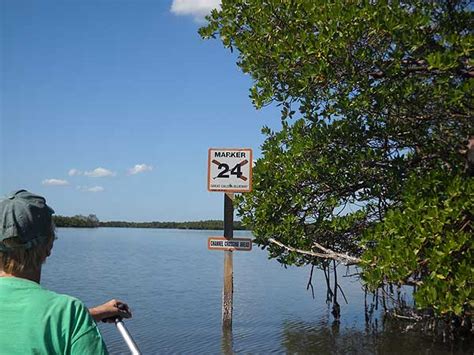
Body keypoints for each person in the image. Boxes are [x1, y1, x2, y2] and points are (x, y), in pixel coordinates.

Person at [0, 190, 132, 354]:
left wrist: (96, 313)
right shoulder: (68, 312)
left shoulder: (67, 316)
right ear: (49, 246)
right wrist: (76, 319)